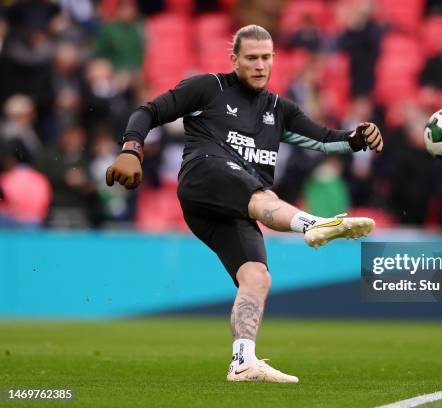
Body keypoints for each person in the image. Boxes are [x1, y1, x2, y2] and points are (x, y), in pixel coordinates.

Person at [105, 25, 383, 383]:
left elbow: (328, 141)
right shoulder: (208, 87)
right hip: (204, 178)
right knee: (256, 192)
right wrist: (131, 148)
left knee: (256, 276)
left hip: (233, 207)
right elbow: (148, 111)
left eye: (266, 57)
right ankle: (312, 225)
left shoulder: (279, 110)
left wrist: (357, 138)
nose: (260, 65)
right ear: (234, 60)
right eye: (251, 57)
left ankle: (243, 361)